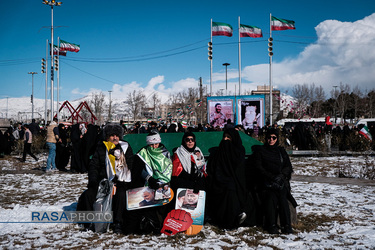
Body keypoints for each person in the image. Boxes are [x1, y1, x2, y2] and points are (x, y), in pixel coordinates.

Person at [76, 123, 135, 234]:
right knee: (89, 194)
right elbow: (94, 166)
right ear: (107, 137)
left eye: (117, 135)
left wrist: (121, 182)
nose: (115, 138)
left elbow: (131, 165)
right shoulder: (101, 147)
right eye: (112, 135)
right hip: (102, 181)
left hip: (121, 181)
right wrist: (94, 181)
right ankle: (89, 222)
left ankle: (118, 222)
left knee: (121, 195)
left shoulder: (125, 147)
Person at [206, 128, 255, 229]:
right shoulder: (219, 151)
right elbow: (214, 168)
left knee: (232, 191)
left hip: (236, 181)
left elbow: (239, 170)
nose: (226, 140)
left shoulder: (239, 150)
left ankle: (234, 218)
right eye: (224, 137)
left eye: (229, 137)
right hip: (219, 180)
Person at [252, 128, 296, 234]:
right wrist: (271, 178)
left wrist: (280, 177)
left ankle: (286, 225)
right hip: (266, 183)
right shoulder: (261, 151)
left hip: (280, 182)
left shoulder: (281, 151)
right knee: (270, 197)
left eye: (274, 137)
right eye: (269, 137)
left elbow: (288, 166)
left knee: (282, 198)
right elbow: (259, 168)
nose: (271, 140)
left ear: (277, 139)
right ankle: (271, 224)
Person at [132, 131, 173, 234]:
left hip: (164, 184)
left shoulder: (165, 153)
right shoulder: (142, 153)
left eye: (156, 144)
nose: (155, 146)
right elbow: (138, 170)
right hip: (148, 184)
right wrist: (149, 178)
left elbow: (169, 168)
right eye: (152, 144)